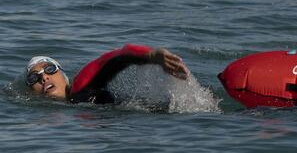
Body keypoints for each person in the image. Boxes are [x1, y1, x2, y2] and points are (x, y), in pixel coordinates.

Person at [25, 44, 189, 104]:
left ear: (63, 75)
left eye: (50, 69)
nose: (44, 77)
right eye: (34, 78)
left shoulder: (80, 88)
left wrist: (151, 55)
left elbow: (113, 58)